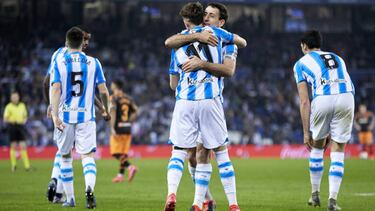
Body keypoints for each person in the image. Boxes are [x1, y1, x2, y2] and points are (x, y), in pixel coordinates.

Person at [164, 3, 244, 211]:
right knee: (210, 153)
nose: (207, 17)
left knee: (183, 152)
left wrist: (198, 66)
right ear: (201, 16)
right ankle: (217, 203)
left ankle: (183, 196)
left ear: (221, 21)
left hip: (185, 101)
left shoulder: (180, 42)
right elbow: (242, 41)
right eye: (205, 14)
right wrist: (198, 36)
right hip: (210, 101)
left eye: (212, 15)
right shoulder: (217, 35)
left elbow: (173, 82)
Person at [44, 27, 109, 203]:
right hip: (86, 117)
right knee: (87, 156)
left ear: (67, 42)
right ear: (82, 43)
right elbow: (103, 90)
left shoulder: (59, 60)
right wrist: (106, 108)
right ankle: (89, 189)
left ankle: (69, 198)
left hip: (65, 116)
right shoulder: (94, 62)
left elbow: (54, 87)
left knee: (65, 156)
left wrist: (54, 112)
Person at [293, 30, 355, 211]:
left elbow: (305, 101)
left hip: (322, 97)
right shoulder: (337, 57)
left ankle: (315, 195)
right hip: (346, 97)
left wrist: (306, 132)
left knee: (317, 147)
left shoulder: (300, 63)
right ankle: (333, 200)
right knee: (338, 150)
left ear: (304, 46)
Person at [109, 80, 138, 183]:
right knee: (123, 154)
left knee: (115, 153)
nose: (110, 85)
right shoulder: (128, 99)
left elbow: (113, 112)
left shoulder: (113, 98)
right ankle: (120, 175)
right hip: (127, 128)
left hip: (118, 128)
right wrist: (129, 121)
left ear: (115, 86)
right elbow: (136, 110)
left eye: (112, 84)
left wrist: (112, 127)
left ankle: (130, 167)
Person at [3, 91, 30, 172]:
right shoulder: (8, 107)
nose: (15, 98)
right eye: (13, 97)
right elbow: (5, 119)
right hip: (13, 127)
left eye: (16, 96)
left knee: (23, 145)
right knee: (13, 146)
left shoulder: (22, 105)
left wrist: (24, 121)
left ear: (18, 97)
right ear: (11, 98)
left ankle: (27, 166)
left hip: (21, 127)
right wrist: (12, 121)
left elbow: (25, 117)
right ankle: (14, 166)